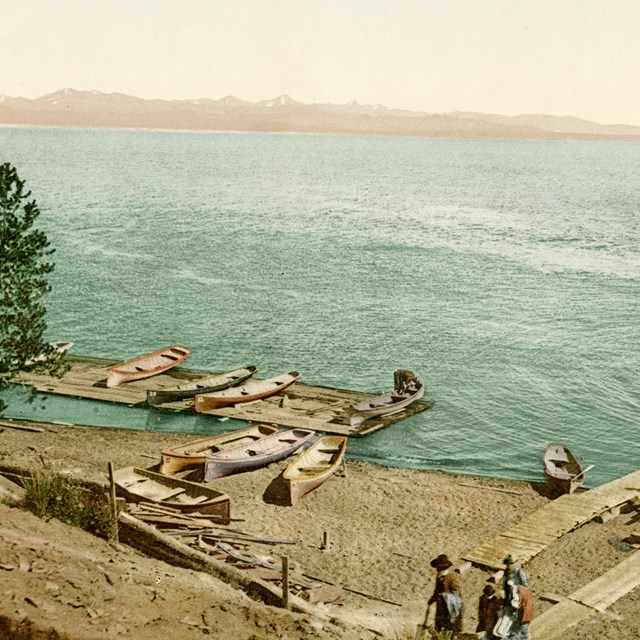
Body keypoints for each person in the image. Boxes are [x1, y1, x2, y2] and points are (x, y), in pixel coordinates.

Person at [427, 554, 464, 635]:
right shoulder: (439, 577)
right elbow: (437, 590)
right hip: (441, 608)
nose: (437, 568)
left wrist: (444, 595)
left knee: (449, 630)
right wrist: (432, 599)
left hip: (450, 609)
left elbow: (457, 593)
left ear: (442, 567)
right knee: (439, 628)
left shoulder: (451, 578)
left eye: (438, 567)